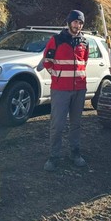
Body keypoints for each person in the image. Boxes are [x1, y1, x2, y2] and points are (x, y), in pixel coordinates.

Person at [39, 10, 90, 172]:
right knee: (57, 124)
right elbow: (47, 61)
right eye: (75, 22)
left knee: (76, 124)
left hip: (80, 89)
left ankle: (75, 153)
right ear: (69, 22)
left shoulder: (85, 42)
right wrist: (58, 76)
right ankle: (54, 157)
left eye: (80, 23)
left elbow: (84, 61)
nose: (78, 25)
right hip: (61, 90)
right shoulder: (57, 40)